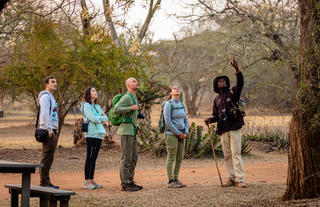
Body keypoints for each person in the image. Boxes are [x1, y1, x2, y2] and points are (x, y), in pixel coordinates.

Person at [205, 56, 247, 188]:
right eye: (219, 81)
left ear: (227, 83)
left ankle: (240, 179)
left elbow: (240, 83)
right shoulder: (217, 100)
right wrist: (210, 120)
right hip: (223, 129)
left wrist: (236, 69)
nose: (221, 82)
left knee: (236, 153)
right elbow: (216, 116)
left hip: (234, 126)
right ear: (216, 85)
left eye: (223, 81)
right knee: (227, 155)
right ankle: (231, 178)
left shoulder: (233, 92)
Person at [114, 78, 143, 192]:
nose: (137, 82)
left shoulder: (133, 98)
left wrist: (137, 126)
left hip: (132, 131)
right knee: (126, 158)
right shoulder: (126, 97)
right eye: (134, 81)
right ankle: (125, 183)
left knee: (133, 157)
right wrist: (130, 108)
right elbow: (116, 109)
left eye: (137, 81)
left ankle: (130, 181)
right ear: (128, 85)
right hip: (125, 131)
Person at [81, 86, 108, 189]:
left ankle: (92, 180)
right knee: (90, 157)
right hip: (91, 134)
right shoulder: (86, 105)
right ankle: (86, 181)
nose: (95, 92)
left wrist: (98, 118)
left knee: (94, 158)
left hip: (99, 134)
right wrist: (99, 118)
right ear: (88, 93)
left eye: (95, 90)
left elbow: (105, 118)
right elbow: (93, 119)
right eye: (93, 90)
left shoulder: (97, 106)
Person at [164, 86, 188, 188]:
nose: (177, 89)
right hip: (171, 134)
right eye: (174, 88)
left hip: (182, 134)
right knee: (171, 157)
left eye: (178, 88)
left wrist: (185, 131)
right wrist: (178, 133)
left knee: (179, 158)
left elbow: (186, 119)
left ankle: (176, 179)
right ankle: (171, 180)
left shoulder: (182, 104)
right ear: (170, 93)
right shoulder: (168, 104)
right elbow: (168, 121)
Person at [38, 76, 59, 189]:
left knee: (50, 156)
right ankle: (44, 182)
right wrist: (49, 129)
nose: (55, 84)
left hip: (52, 129)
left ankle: (46, 181)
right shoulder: (45, 97)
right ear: (47, 84)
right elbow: (44, 114)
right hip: (48, 130)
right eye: (52, 82)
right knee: (46, 156)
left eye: (56, 82)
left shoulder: (51, 97)